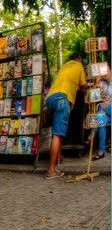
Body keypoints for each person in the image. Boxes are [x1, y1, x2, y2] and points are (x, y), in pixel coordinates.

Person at [44, 50, 87, 179]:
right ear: (78, 59)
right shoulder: (78, 66)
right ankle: (51, 170)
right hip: (63, 99)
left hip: (50, 98)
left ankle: (58, 157)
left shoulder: (64, 66)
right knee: (58, 134)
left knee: (56, 132)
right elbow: (83, 86)